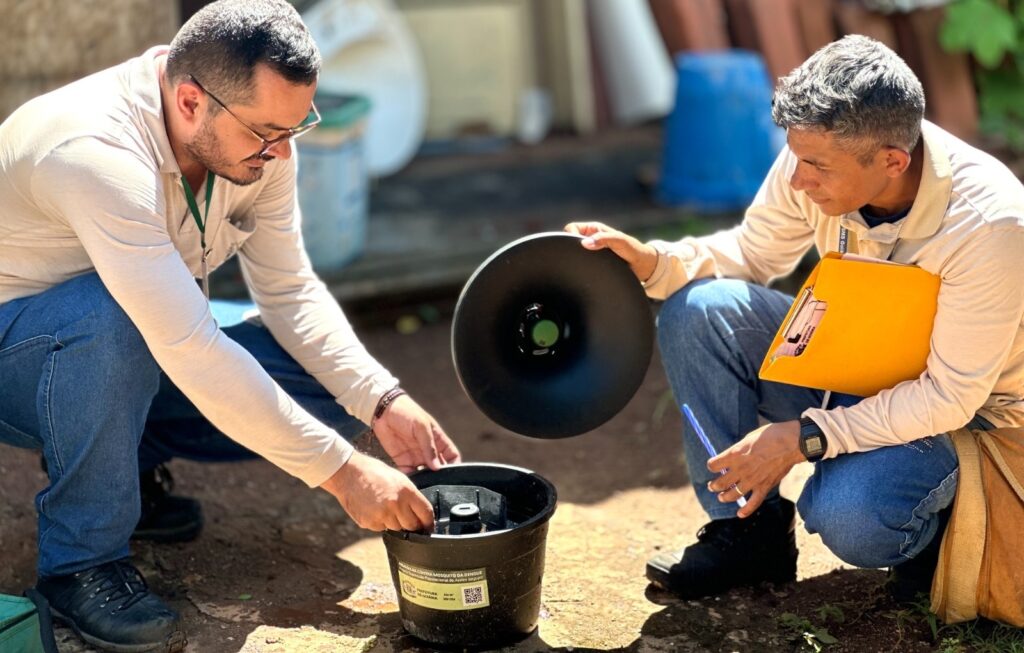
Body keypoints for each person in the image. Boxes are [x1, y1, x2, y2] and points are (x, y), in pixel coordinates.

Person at [0, 1, 460, 650]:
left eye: (295, 129)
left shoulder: (260, 137)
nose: (280, 153)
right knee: (116, 321)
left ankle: (123, 467)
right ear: (190, 102)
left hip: (134, 335)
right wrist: (346, 474)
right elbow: (188, 346)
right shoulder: (93, 150)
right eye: (268, 134)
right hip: (20, 352)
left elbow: (290, 292)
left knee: (330, 391)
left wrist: (382, 397)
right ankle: (81, 561)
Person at [568, 35, 1024, 602]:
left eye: (816, 167)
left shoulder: (990, 226)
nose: (797, 180)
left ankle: (936, 534)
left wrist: (805, 437)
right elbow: (755, 254)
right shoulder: (816, 154)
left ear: (892, 161)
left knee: (850, 515)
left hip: (964, 418)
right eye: (796, 156)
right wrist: (655, 261)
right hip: (857, 366)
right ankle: (748, 534)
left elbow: (951, 395)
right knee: (701, 311)